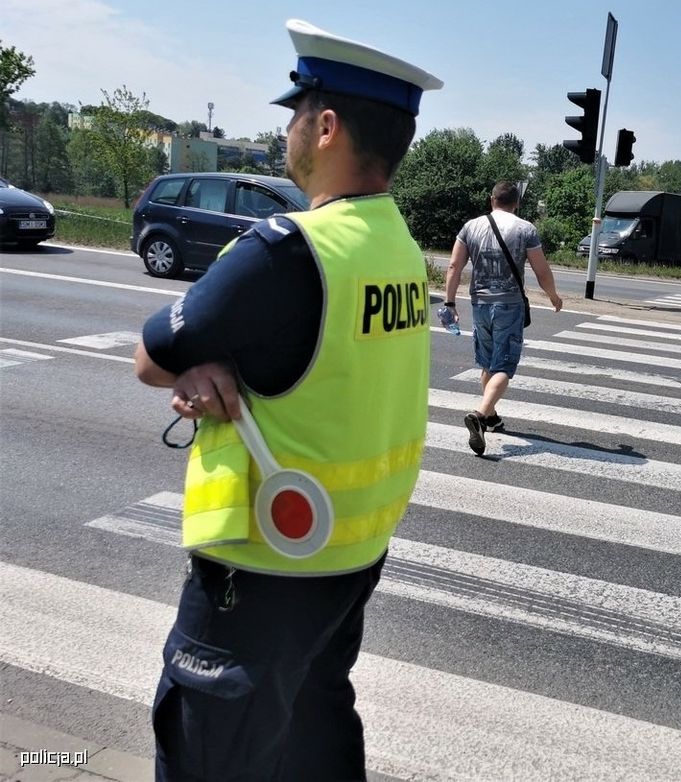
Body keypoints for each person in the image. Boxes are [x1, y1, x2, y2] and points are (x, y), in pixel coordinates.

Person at [132, 19, 441, 782]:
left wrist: (190, 363)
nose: (287, 133)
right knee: (313, 735)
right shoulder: (399, 246)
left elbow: (148, 355)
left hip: (260, 571)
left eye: (294, 115)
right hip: (350, 555)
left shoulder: (286, 250)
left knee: (214, 758)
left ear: (326, 126)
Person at [444, 181, 563, 456]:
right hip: (509, 305)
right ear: (517, 202)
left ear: (491, 199)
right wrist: (553, 296)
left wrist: (450, 302)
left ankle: (492, 417)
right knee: (503, 366)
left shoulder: (470, 227)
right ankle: (480, 414)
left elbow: (454, 265)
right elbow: (541, 269)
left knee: (487, 362)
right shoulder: (525, 229)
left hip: (480, 304)